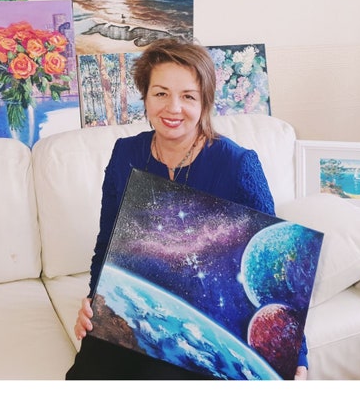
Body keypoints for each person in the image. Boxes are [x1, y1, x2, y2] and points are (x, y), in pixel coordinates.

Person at [66, 37, 309, 380]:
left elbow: (279, 274)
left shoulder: (239, 166)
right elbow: (106, 245)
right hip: (129, 309)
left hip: (200, 325)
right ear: (146, 97)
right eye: (161, 93)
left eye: (188, 97)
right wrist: (94, 303)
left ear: (206, 102)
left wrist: (297, 357)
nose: (173, 108)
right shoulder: (125, 155)